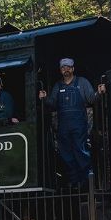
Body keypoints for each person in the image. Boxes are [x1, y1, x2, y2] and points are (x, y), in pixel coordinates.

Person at [38, 58, 102, 189]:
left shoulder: (82, 82)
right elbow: (52, 104)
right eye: (63, 68)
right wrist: (44, 98)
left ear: (73, 69)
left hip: (79, 125)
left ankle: (87, 182)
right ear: (60, 70)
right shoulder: (58, 86)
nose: (66, 70)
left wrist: (99, 93)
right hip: (63, 127)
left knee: (81, 152)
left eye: (68, 67)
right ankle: (73, 182)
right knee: (66, 154)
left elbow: (91, 98)